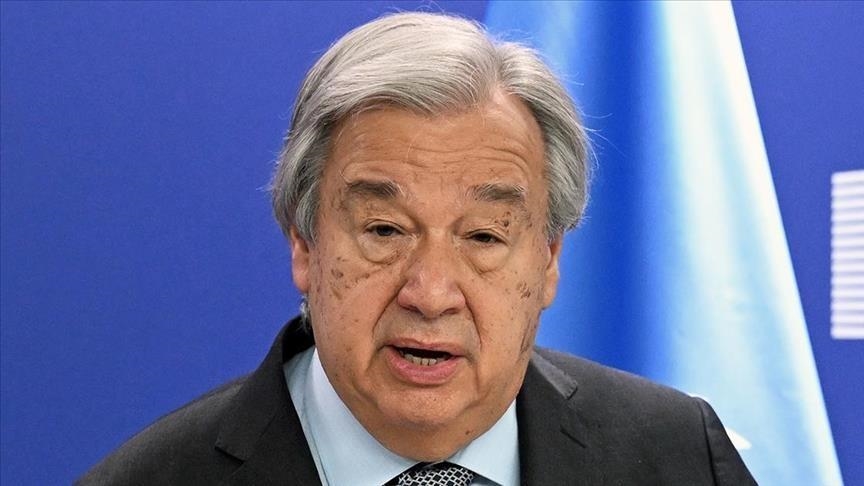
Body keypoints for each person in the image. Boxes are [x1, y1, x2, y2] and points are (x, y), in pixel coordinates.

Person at [78, 12, 756, 486]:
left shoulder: (680, 458)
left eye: (484, 236)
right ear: (304, 244)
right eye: (384, 231)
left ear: (549, 260)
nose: (431, 294)